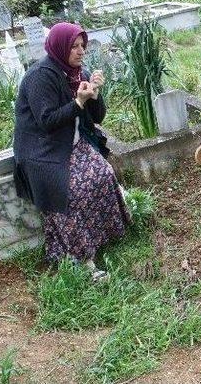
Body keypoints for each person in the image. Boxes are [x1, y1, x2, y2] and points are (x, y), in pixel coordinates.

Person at [13, 22, 129, 280]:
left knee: (103, 173)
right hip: (43, 149)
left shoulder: (80, 72)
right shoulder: (40, 76)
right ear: (58, 47)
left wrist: (95, 95)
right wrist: (78, 102)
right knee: (69, 191)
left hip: (72, 141)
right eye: (73, 46)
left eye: (82, 46)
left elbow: (97, 117)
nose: (80, 52)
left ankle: (102, 235)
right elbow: (47, 121)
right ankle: (83, 260)